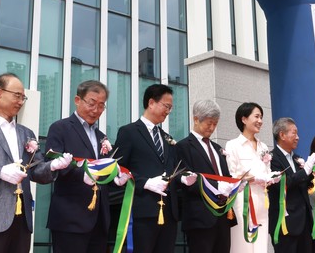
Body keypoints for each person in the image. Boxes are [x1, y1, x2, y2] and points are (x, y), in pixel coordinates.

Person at [0, 73, 73, 253]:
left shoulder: (26, 133)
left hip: (21, 219)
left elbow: (35, 170)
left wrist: (53, 166)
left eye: (23, 97)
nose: (20, 102)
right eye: (17, 96)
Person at [45, 80, 128, 253]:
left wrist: (116, 177)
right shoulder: (60, 128)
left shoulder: (101, 136)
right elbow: (54, 162)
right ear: (77, 100)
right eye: (91, 103)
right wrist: (82, 174)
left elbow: (103, 171)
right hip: (70, 218)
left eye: (101, 105)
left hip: (99, 218)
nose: (96, 110)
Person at [114, 84, 197, 253]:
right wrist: (145, 182)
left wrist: (182, 177)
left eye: (170, 108)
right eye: (166, 106)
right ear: (151, 103)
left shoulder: (167, 138)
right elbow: (118, 169)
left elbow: (173, 169)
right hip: (142, 210)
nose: (168, 111)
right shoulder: (129, 132)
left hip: (168, 213)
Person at [176, 99, 236, 253]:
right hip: (200, 218)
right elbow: (187, 180)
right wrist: (217, 187)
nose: (212, 128)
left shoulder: (217, 148)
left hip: (222, 216)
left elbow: (225, 176)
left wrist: (235, 184)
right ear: (196, 119)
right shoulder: (183, 146)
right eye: (209, 123)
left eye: (215, 124)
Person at [225, 101, 280, 253]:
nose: (260, 121)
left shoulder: (263, 147)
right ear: (244, 119)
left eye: (261, 117)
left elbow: (267, 172)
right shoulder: (233, 145)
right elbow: (231, 176)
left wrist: (272, 177)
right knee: (243, 245)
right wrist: (253, 178)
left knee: (261, 246)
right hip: (243, 203)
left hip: (263, 201)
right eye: (256, 116)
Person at [268, 117, 315, 253]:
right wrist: (305, 171)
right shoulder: (271, 158)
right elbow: (282, 184)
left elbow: (306, 186)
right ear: (282, 135)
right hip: (285, 223)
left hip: (304, 222)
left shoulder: (297, 158)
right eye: (294, 133)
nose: (298, 137)